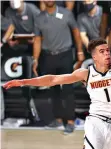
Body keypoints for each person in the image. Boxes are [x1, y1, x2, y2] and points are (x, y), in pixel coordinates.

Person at [4, 38, 111, 149]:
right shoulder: (86, 73)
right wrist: (23, 81)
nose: (107, 54)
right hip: (96, 120)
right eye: (102, 51)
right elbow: (53, 79)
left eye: (108, 50)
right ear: (94, 57)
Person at [33, 0, 84, 134]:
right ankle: (59, 119)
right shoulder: (39, 18)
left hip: (65, 55)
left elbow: (76, 31)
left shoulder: (66, 13)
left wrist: (80, 51)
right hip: (48, 57)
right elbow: (37, 39)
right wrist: (35, 59)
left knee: (67, 89)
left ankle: (71, 121)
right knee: (53, 90)